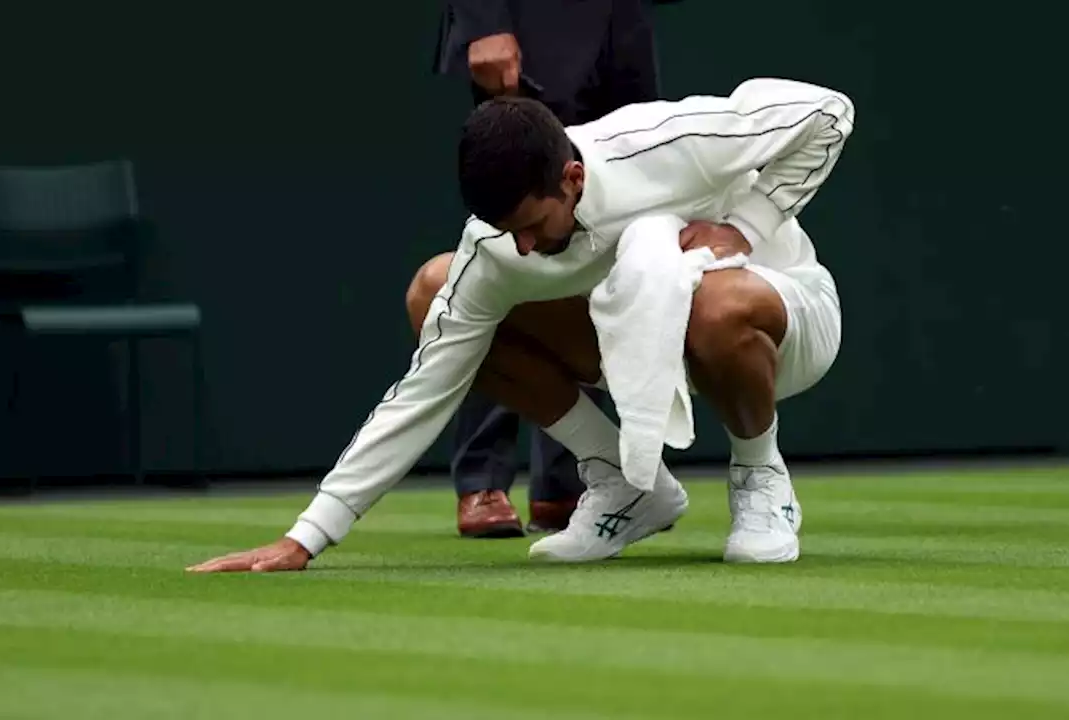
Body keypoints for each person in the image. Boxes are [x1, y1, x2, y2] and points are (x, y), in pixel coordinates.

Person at [186, 75, 854, 573]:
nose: (524, 249)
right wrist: (306, 537)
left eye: (533, 226)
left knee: (714, 306)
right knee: (434, 290)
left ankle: (760, 476)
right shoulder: (498, 246)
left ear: (570, 177)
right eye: (510, 234)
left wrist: (747, 225)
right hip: (632, 342)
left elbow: (828, 112)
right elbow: (425, 391)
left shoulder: (667, 143)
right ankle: (621, 485)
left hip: (783, 323)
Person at [434, 0, 676, 538]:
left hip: (622, 20)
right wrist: (483, 22)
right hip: (531, 21)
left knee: (608, 218)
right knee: (516, 226)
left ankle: (569, 481)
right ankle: (483, 478)